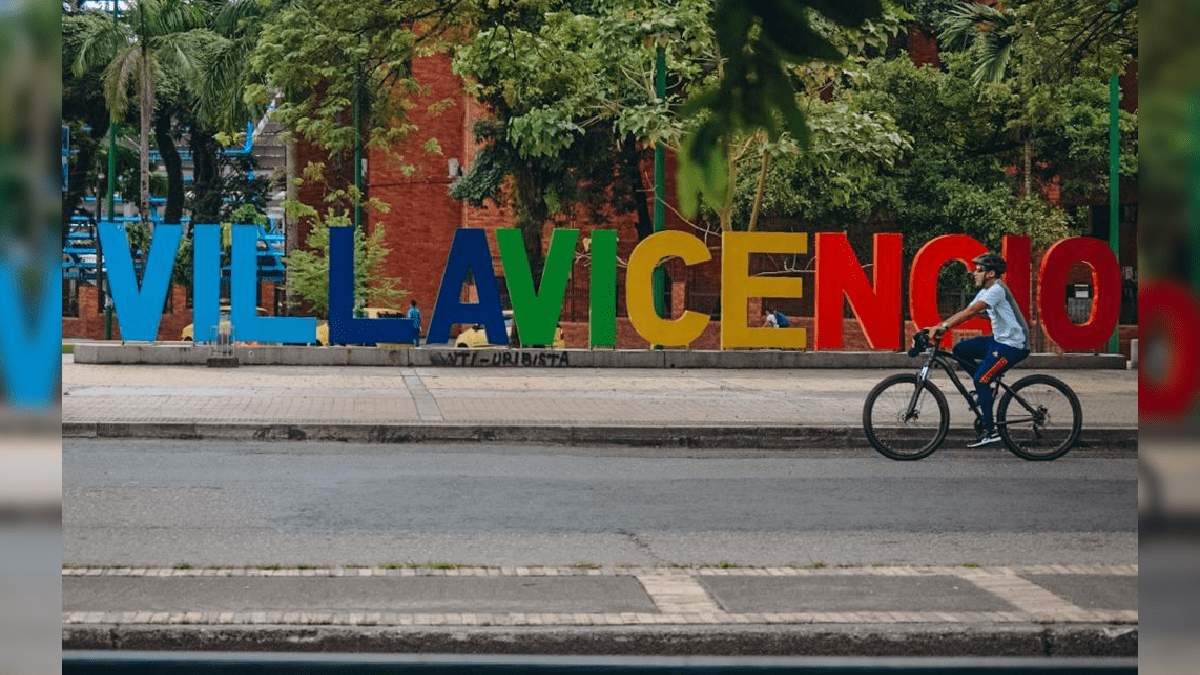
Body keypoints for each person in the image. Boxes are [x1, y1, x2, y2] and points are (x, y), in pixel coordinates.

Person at [924, 252, 1031, 448]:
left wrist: (944, 327)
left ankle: (990, 431)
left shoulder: (997, 289)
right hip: (999, 341)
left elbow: (971, 312)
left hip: (1014, 345)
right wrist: (939, 326)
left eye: (979, 270)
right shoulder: (985, 291)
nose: (974, 273)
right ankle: (986, 390)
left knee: (981, 378)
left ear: (991, 273)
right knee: (960, 350)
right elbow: (967, 312)